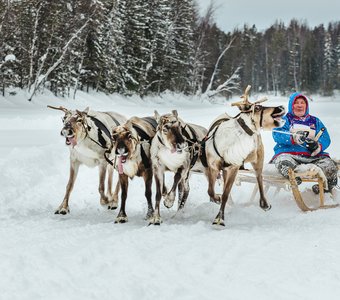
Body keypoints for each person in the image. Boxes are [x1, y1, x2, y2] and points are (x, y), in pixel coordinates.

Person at [271, 92, 338, 193]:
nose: (299, 105)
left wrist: (318, 146)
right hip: (290, 154)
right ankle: (292, 176)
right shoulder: (284, 120)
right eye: (296, 103)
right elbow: (277, 134)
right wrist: (293, 138)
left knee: (330, 166)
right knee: (283, 161)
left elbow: (325, 137)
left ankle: (325, 188)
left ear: (306, 106)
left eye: (302, 102)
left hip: (312, 156)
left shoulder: (315, 121)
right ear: (291, 105)